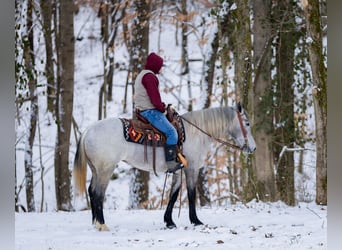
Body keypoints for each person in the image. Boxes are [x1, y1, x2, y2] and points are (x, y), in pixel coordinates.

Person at [134, 52, 184, 173]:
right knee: (172, 132)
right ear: (155, 65)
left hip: (143, 109)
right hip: (149, 111)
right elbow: (155, 100)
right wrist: (163, 108)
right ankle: (171, 163)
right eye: (160, 65)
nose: (161, 68)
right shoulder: (150, 77)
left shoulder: (142, 74)